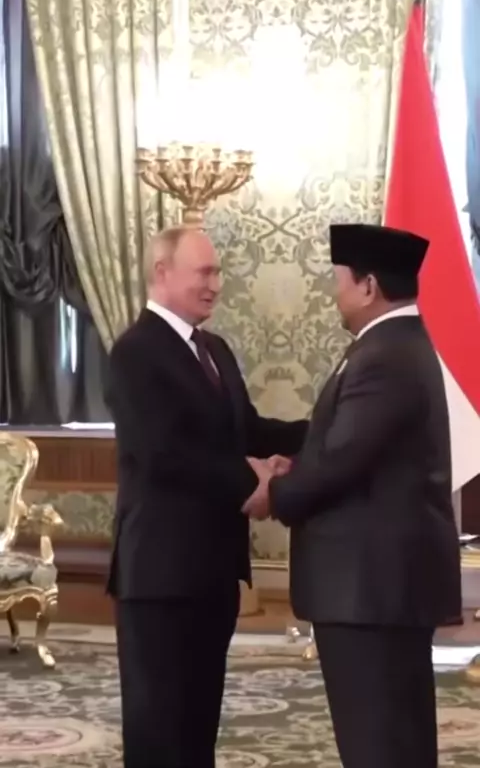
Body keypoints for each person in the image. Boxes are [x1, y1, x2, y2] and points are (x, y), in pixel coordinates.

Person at [255, 223, 461, 768]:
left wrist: (273, 492)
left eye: (340, 280)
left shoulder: (385, 354)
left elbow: (340, 462)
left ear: (368, 286)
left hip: (370, 590)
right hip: (380, 587)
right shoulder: (392, 345)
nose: (335, 292)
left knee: (378, 744)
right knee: (396, 740)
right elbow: (347, 447)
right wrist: (294, 462)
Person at [105, 225, 307, 768]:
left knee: (198, 727)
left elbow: (249, 431)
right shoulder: (134, 353)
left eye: (218, 272)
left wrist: (327, 432)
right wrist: (255, 485)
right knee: (158, 731)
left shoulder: (213, 348)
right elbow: (164, 454)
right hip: (160, 576)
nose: (216, 284)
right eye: (205, 272)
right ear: (162, 272)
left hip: (213, 573)